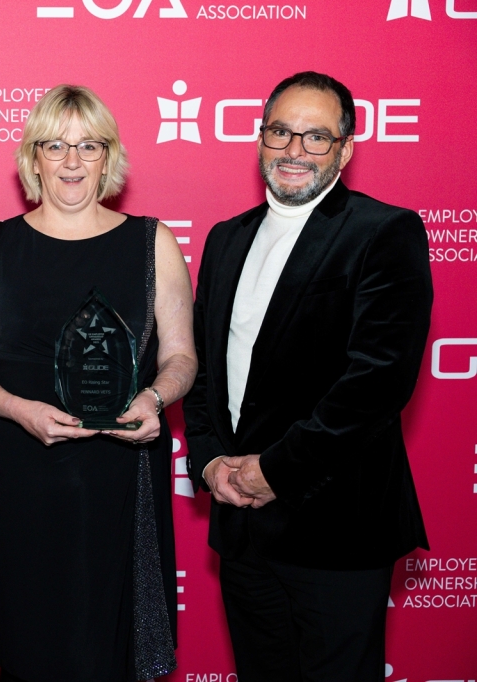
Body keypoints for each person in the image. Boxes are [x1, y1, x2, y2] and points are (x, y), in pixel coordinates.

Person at [183, 71, 434, 682]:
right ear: (260, 138)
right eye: (281, 132)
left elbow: (375, 384)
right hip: (242, 526)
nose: (295, 151)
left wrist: (275, 471)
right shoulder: (225, 239)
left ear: (345, 149)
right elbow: (200, 369)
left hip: (336, 529)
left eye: (316, 137)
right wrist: (213, 461)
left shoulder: (383, 231)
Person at [0, 84, 196, 682]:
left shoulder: (153, 243)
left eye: (89, 145)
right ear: (33, 158)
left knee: (111, 650)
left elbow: (183, 357)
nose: (73, 161)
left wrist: (155, 397)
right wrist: (16, 408)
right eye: (55, 145)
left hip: (121, 474)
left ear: (110, 158)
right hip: (20, 475)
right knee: (28, 648)